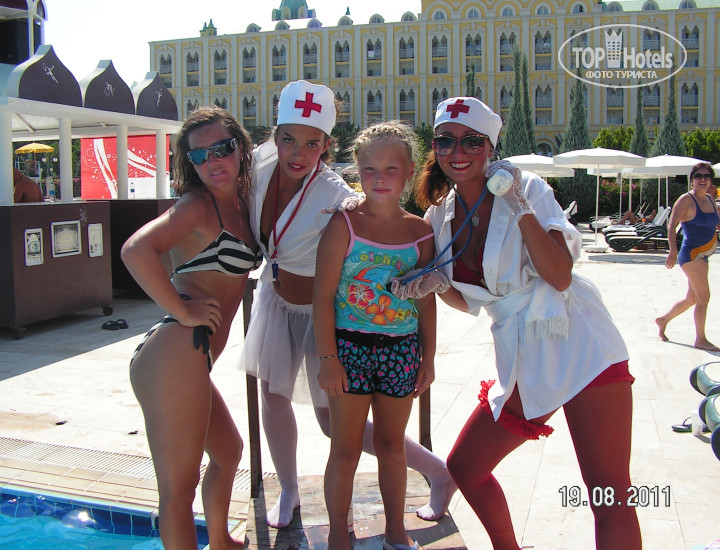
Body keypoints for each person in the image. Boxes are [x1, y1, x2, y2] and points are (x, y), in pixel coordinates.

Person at [412, 97, 642, 550]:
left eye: (472, 141)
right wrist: (435, 285)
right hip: (522, 353)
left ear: (491, 147)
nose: (458, 151)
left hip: (580, 341)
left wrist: (518, 206)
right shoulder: (438, 217)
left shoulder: (527, 187)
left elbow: (559, 276)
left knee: (609, 493)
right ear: (434, 147)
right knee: (465, 467)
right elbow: (473, 300)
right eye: (445, 141)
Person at [241, 80, 455, 529]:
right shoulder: (258, 167)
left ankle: (436, 470)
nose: (298, 153)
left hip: (328, 316)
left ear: (327, 145)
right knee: (272, 396)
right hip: (276, 299)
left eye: (312, 143)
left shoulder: (336, 195)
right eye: (288, 139)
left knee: (331, 423)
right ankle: (288, 489)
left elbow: (371, 211)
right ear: (274, 136)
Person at [122, 106, 261, 550]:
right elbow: (135, 250)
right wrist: (182, 311)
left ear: (240, 147)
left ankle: (219, 542)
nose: (212, 160)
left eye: (221, 148)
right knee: (177, 491)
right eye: (199, 155)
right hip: (174, 353)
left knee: (229, 452)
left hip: (192, 360)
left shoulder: (241, 203)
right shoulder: (196, 205)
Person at [313, 121, 438, 550]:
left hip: (402, 351)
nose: (379, 178)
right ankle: (337, 533)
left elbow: (425, 300)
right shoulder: (343, 225)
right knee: (345, 449)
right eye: (369, 169)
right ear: (357, 169)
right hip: (349, 350)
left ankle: (395, 530)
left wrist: (428, 356)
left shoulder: (420, 232)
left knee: (391, 445)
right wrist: (328, 359)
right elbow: (322, 296)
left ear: (409, 171)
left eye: (390, 169)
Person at [655, 163, 720, 351]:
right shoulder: (686, 200)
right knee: (704, 298)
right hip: (692, 255)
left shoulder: (710, 199)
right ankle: (701, 339)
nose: (702, 179)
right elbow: (671, 225)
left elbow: (719, 223)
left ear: (711, 181)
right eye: (698, 176)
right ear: (692, 180)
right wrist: (672, 251)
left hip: (704, 256)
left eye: (706, 176)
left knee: (692, 298)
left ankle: (663, 320)